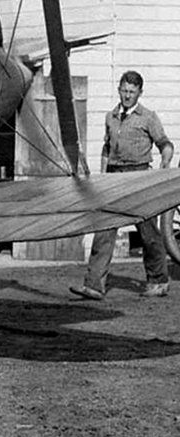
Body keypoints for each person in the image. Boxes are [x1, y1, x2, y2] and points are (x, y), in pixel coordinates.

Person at [71, 70, 174, 300]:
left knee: (149, 233)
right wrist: (101, 177)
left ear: (139, 93)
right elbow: (107, 148)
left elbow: (164, 143)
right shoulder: (111, 116)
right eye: (124, 91)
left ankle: (158, 281)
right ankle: (94, 285)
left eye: (132, 92)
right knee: (104, 231)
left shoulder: (148, 117)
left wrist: (165, 162)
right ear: (119, 90)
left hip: (138, 178)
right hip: (114, 178)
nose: (127, 96)